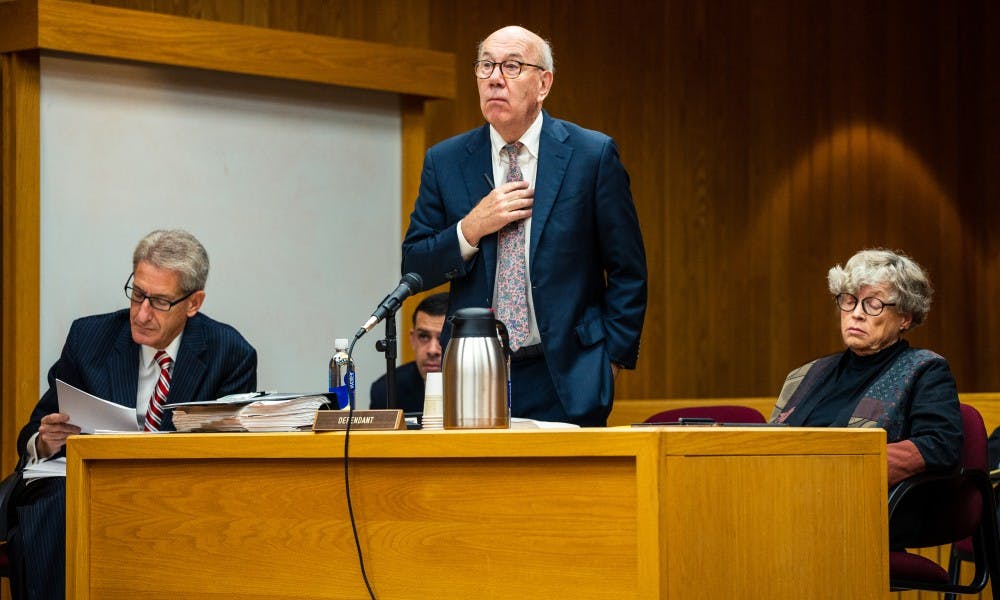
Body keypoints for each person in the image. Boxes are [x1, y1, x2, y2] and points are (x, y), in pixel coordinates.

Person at [401, 26, 647, 427]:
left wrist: (610, 360)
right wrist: (470, 228)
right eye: (486, 66)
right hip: (473, 372)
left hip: (566, 373)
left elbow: (628, 271)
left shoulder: (591, 156)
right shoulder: (445, 160)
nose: (495, 78)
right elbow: (414, 262)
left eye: (512, 66)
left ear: (543, 83)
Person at [4, 229, 257, 600]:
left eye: (159, 302)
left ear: (193, 302)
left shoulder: (229, 353)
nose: (141, 313)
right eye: (138, 294)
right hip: (87, 488)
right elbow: (34, 428)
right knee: (55, 506)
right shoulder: (89, 338)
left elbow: (232, 456)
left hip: (176, 496)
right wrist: (43, 440)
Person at [769, 248, 962, 489]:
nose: (856, 314)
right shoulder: (804, 375)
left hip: (859, 498)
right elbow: (770, 442)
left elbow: (940, 445)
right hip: (785, 490)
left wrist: (844, 462)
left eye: (873, 304)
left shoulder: (925, 370)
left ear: (905, 318)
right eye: (849, 300)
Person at [370, 292, 448, 412]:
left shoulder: (482, 387)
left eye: (442, 338)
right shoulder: (386, 391)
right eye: (423, 336)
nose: (432, 350)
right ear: (413, 339)